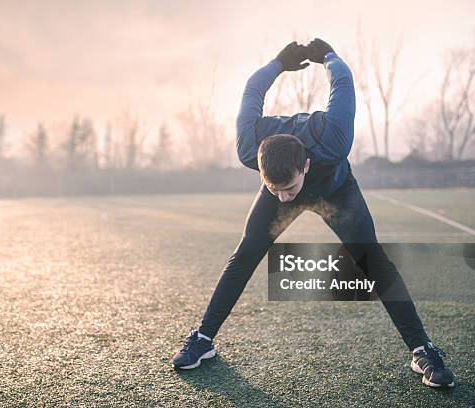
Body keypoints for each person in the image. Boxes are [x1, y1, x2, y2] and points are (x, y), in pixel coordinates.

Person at [171, 39, 454, 388]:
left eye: (289, 189)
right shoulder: (250, 147)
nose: (285, 198)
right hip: (287, 175)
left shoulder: (332, 137)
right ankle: (203, 339)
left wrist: (329, 58)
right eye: (275, 188)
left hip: (335, 190)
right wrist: (278, 63)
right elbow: (252, 89)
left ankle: (422, 350)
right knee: (245, 254)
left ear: (305, 165)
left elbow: (343, 83)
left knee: (373, 260)